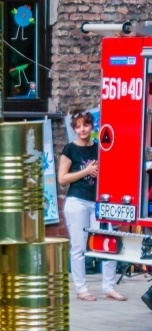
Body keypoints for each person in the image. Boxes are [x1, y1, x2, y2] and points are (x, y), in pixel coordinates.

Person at [59, 110, 125, 302]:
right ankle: (81, 289)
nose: (82, 129)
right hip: (77, 200)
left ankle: (109, 287)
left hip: (100, 201)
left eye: (85, 125)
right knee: (79, 246)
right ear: (74, 129)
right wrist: (86, 171)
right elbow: (62, 179)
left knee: (108, 242)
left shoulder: (100, 148)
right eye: (78, 126)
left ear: (92, 126)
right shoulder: (70, 149)